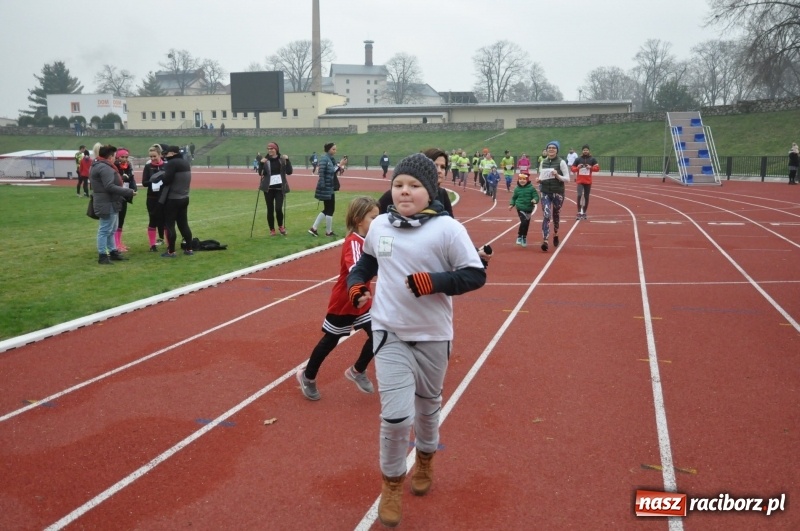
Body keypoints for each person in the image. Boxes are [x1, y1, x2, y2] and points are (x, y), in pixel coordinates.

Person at [347, 153, 487, 528]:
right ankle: (391, 483)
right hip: (389, 332)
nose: (404, 192)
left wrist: (435, 282)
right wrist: (356, 283)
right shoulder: (380, 227)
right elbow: (366, 263)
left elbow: (475, 275)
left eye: (414, 186)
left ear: (431, 190)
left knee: (427, 409)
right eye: (398, 185)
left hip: (432, 336)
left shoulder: (446, 229)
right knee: (395, 417)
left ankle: (425, 457)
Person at [296, 196, 381, 401]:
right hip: (346, 300)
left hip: (363, 301)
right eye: (373, 218)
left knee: (380, 335)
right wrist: (359, 291)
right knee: (330, 341)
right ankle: (308, 376)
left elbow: (387, 261)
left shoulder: (375, 239)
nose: (378, 223)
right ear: (359, 219)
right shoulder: (354, 241)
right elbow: (355, 270)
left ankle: (357, 370)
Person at [90, 144, 135, 265]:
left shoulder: (101, 166)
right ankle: (103, 255)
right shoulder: (105, 168)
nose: (116, 158)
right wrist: (128, 191)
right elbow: (109, 186)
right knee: (105, 229)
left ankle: (112, 251)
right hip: (107, 202)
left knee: (112, 229)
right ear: (110, 156)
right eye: (115, 155)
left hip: (110, 201)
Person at [378, 148, 454, 217]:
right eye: (435, 165)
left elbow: (451, 223)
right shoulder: (394, 195)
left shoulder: (442, 194)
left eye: (443, 167)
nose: (439, 171)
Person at [158, 145, 193, 258]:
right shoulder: (185, 163)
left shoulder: (171, 164)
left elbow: (167, 179)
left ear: (172, 153)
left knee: (170, 225)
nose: (165, 155)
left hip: (173, 199)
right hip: (184, 197)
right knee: (184, 224)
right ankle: (189, 248)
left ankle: (171, 251)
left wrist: (162, 176)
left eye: (167, 153)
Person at [536, 141, 570, 252]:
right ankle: (545, 240)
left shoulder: (561, 162)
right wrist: (538, 180)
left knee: (556, 214)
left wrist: (557, 175)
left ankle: (555, 233)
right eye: (549, 148)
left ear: (557, 150)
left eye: (553, 148)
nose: (551, 149)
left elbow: (567, 179)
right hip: (545, 191)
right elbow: (541, 176)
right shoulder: (543, 162)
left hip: (558, 193)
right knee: (546, 215)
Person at [258, 141, 293, 236]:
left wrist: (288, 160)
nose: (270, 151)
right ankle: (272, 229)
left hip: (279, 189)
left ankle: (281, 226)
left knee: (278, 208)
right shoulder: (265, 160)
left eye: (272, 149)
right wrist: (261, 164)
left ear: (276, 149)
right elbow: (260, 173)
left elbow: (289, 172)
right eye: (268, 149)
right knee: (270, 209)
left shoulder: (282, 160)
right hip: (268, 189)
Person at [309, 142, 338, 237]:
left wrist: (340, 165)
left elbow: (332, 171)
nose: (335, 151)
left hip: (330, 187)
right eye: (333, 149)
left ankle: (314, 228)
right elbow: (321, 174)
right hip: (326, 187)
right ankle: (328, 232)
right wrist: (323, 186)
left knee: (328, 209)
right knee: (330, 209)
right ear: (329, 149)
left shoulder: (330, 159)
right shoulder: (324, 159)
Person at [141, 144, 166, 252]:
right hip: (152, 198)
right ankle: (152, 245)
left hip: (164, 197)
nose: (152, 159)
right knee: (153, 220)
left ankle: (170, 245)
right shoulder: (148, 167)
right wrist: (153, 180)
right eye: (150, 156)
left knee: (165, 221)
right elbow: (144, 183)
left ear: (160, 154)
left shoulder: (166, 166)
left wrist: (163, 181)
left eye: (154, 156)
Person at [114, 148, 137, 252]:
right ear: (117, 157)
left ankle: (119, 242)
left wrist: (134, 188)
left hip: (125, 195)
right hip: (116, 196)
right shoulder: (114, 167)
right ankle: (115, 244)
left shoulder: (129, 167)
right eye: (122, 157)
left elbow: (132, 179)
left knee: (121, 220)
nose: (124, 159)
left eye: (126, 157)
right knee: (116, 221)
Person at [509, 173, 539, 247]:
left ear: (527, 180)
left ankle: (524, 237)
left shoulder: (531, 188)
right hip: (520, 208)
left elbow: (536, 196)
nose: (522, 181)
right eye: (520, 179)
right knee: (524, 222)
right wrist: (511, 204)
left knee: (527, 224)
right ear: (518, 180)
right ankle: (519, 236)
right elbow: (514, 198)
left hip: (529, 208)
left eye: (524, 179)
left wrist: (535, 200)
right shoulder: (517, 189)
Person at [571, 144, 600, 220]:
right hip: (580, 181)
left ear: (589, 151)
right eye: (584, 150)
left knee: (586, 197)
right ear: (582, 151)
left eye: (587, 150)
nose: (585, 151)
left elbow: (597, 168)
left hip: (588, 181)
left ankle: (584, 212)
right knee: (579, 195)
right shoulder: (578, 159)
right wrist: (577, 168)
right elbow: (572, 169)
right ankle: (578, 212)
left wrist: (591, 167)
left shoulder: (592, 159)